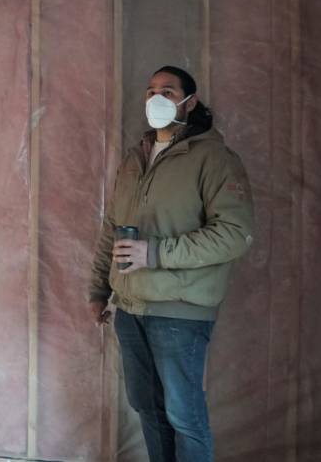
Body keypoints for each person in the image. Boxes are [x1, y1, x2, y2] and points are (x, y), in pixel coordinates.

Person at [89, 65, 255, 462]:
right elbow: (111, 228)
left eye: (167, 91)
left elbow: (235, 234)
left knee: (183, 417)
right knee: (149, 410)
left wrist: (156, 253)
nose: (156, 99)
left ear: (189, 101)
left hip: (179, 312)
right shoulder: (136, 157)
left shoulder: (214, 159)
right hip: (130, 310)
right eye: (150, 92)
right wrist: (99, 289)